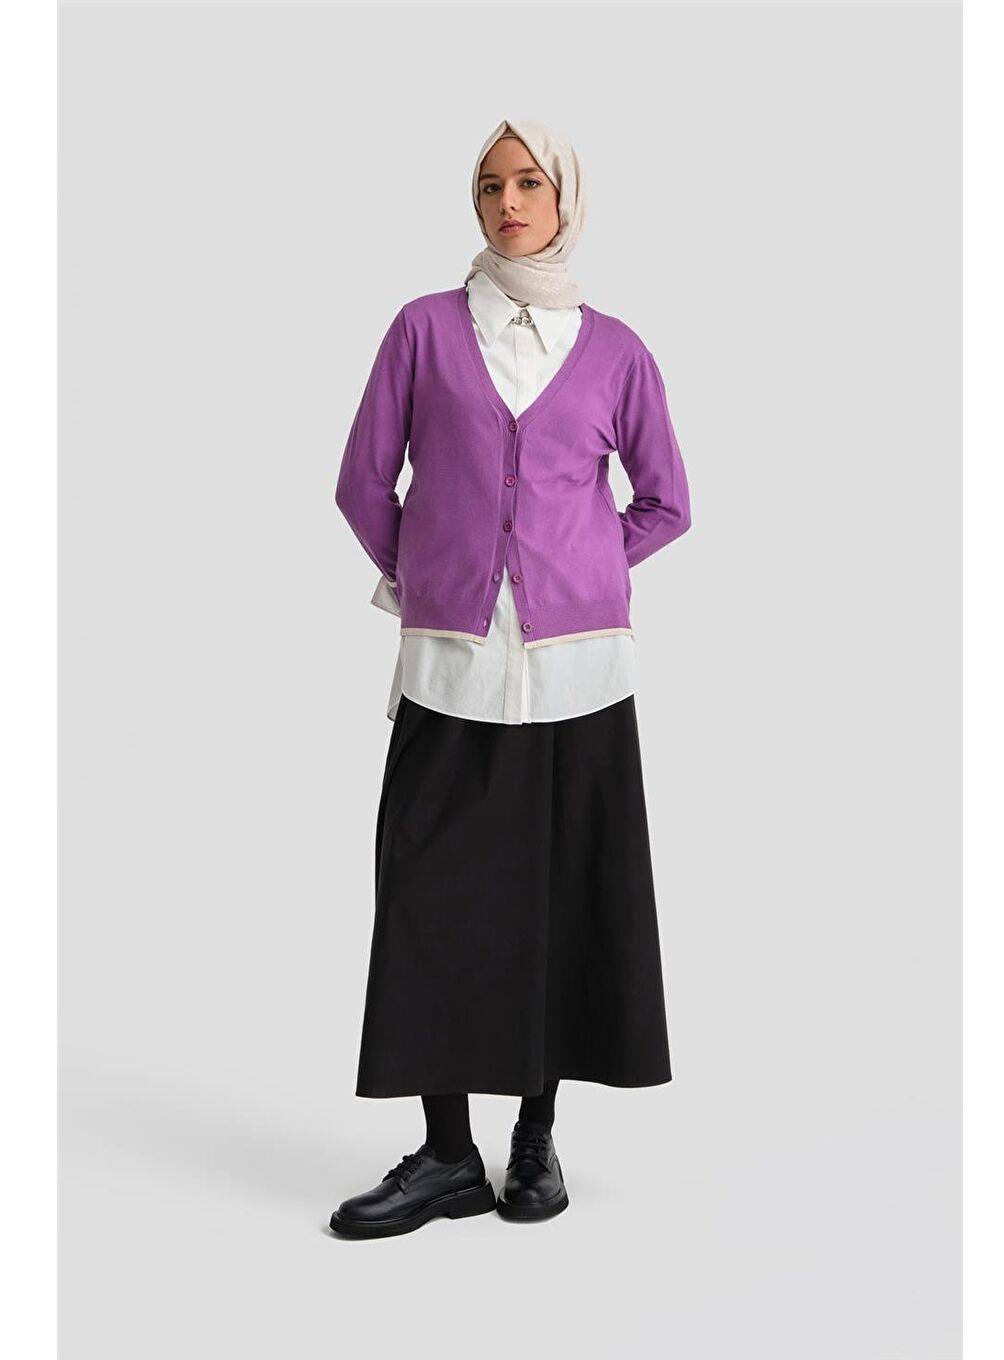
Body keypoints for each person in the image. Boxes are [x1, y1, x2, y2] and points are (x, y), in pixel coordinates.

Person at [329, 118, 692, 1239]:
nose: (509, 201)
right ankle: (447, 1154)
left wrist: (583, 570)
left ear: (564, 198)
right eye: (491, 185)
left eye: (530, 182)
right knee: (429, 893)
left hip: (581, 676)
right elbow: (362, 483)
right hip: (450, 665)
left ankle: (535, 1138)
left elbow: (665, 501)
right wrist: (434, 575)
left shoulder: (617, 350)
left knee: (562, 899)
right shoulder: (423, 330)